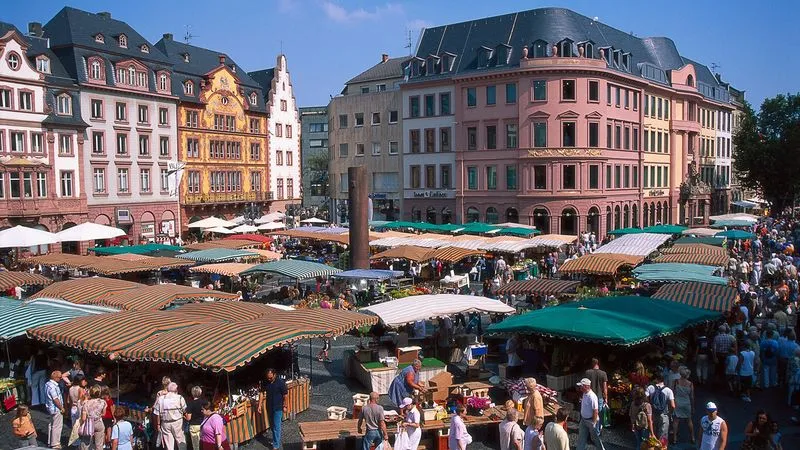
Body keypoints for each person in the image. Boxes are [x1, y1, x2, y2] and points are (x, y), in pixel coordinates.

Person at [258, 369, 288, 450]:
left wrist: (285, 406)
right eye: (268, 378)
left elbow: (285, 395)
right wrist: (259, 405)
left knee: (276, 426)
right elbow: (261, 393)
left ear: (274, 375)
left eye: (270, 378)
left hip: (278, 407)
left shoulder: (280, 382)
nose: (269, 379)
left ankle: (276, 445)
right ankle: (275, 440)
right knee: (272, 425)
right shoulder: (265, 382)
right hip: (269, 407)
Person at [153, 382, 187, 450]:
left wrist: (158, 424)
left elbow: (157, 413)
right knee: (180, 440)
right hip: (177, 423)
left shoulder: (161, 399)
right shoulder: (180, 398)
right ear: (176, 390)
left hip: (165, 423)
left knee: (169, 443)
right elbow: (184, 410)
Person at [576, 378, 605, 450]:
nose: (580, 387)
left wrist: (594, 423)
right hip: (584, 420)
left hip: (591, 421)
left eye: (581, 386)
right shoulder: (584, 393)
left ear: (586, 386)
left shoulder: (592, 396)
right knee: (581, 437)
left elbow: (595, 410)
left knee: (595, 438)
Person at [646, 374, 675, 446]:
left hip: (652, 414)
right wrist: (669, 413)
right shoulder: (668, 390)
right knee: (663, 437)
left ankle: (652, 447)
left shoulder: (650, 387)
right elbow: (673, 405)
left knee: (653, 434)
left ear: (656, 379)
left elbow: (645, 398)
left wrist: (650, 406)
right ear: (663, 380)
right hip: (664, 414)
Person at [671, 367, 695, 445]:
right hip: (686, 403)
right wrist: (693, 406)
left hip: (677, 403)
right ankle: (692, 437)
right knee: (689, 421)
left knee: (676, 421)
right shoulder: (690, 384)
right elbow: (692, 396)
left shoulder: (676, 382)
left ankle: (674, 438)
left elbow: (672, 392)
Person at [79, 385, 107, 450]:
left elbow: (83, 418)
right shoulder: (103, 402)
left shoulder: (86, 403)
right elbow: (104, 414)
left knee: (86, 443)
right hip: (99, 422)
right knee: (99, 444)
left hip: (89, 423)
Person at [585, 357, 608, 432]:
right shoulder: (603, 373)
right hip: (599, 397)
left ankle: (590, 430)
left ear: (592, 363)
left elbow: (585, 385)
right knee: (598, 415)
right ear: (598, 363)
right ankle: (597, 431)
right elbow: (605, 388)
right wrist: (606, 398)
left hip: (590, 396)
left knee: (590, 414)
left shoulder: (587, 372)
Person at [46, 370, 65, 449]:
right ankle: (55, 443)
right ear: (55, 377)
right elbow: (55, 399)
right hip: (56, 408)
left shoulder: (47, 384)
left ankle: (50, 441)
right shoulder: (53, 387)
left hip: (50, 408)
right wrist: (61, 407)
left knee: (51, 425)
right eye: (60, 377)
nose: (60, 379)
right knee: (57, 426)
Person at [185, 386, 205, 450]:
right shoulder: (204, 402)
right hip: (203, 424)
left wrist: (183, 416)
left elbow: (188, 418)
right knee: (203, 444)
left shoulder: (190, 403)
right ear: (200, 393)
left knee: (196, 446)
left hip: (194, 426)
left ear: (192, 393)